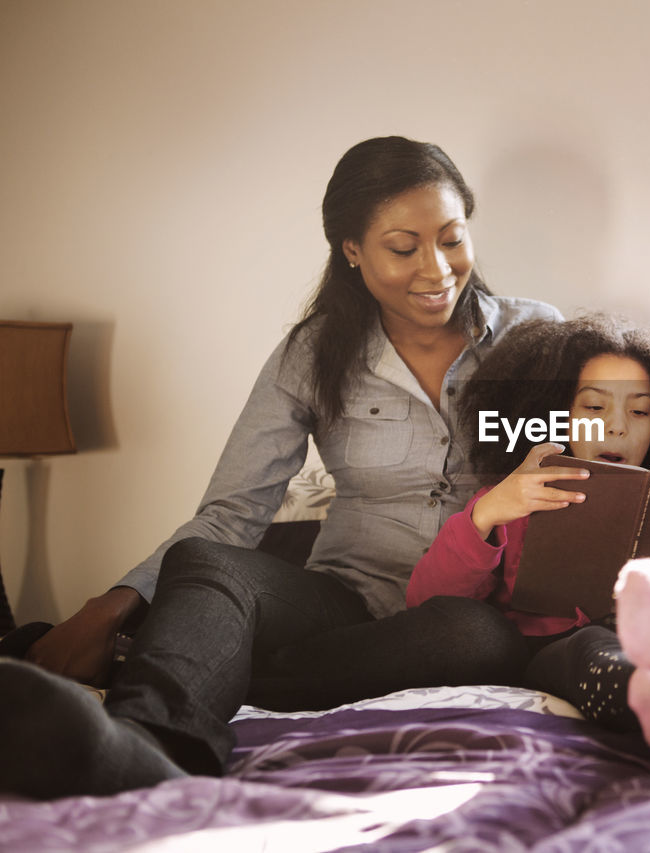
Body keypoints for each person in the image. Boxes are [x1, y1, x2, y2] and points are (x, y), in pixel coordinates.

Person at [0, 136, 561, 800]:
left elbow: (595, 469)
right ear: (352, 251)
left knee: (474, 635)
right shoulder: (311, 353)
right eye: (404, 248)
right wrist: (110, 604)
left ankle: (206, 671)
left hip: (469, 613)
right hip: (342, 603)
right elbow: (229, 514)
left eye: (452, 238)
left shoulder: (537, 337)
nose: (437, 268)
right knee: (206, 560)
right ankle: (146, 746)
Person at [406, 314, 650, 785]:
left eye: (639, 411)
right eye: (594, 409)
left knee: (645, 634)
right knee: (592, 647)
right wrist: (488, 513)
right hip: (550, 655)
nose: (617, 428)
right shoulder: (514, 494)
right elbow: (425, 604)